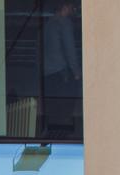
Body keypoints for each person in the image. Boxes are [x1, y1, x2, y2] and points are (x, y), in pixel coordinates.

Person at [42, 1, 82, 137]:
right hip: (61, 72)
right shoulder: (64, 23)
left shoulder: (48, 23)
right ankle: (64, 134)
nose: (74, 10)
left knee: (53, 108)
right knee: (65, 106)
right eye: (72, 7)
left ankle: (52, 133)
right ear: (65, 7)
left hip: (47, 73)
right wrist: (76, 72)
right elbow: (70, 49)